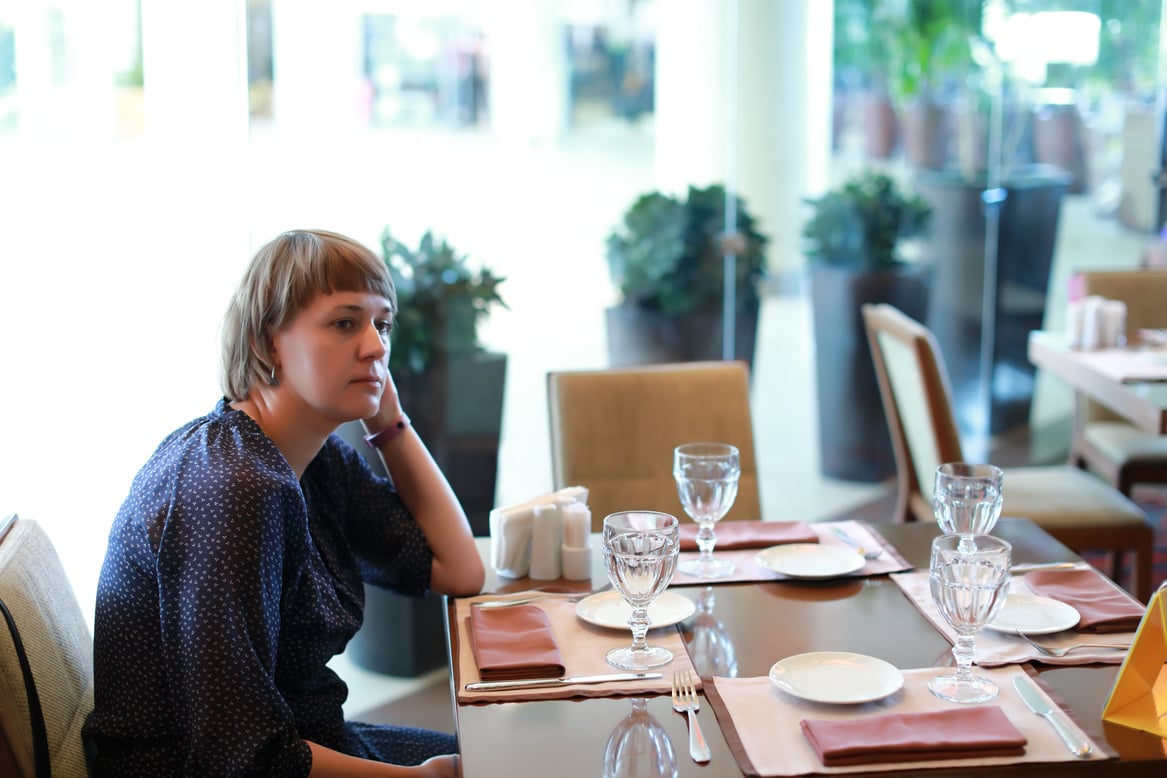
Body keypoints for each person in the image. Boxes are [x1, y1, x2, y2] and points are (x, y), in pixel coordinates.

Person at [83, 229, 485, 776]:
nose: (376, 347)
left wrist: (389, 423)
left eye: (381, 324)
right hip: (211, 768)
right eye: (345, 323)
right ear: (267, 343)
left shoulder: (311, 460)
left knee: (509, 755)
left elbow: (458, 570)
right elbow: (243, 757)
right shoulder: (232, 488)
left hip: (305, 741)